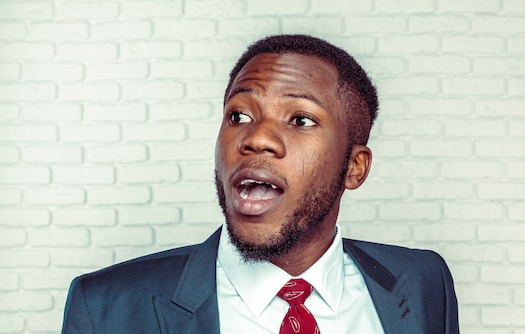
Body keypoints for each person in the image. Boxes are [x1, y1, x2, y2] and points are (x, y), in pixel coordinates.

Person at [61, 34, 459, 334]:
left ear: (355, 167)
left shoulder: (425, 281)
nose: (256, 138)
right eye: (239, 115)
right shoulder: (105, 308)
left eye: (300, 119)